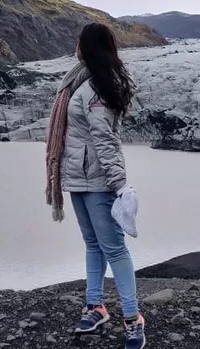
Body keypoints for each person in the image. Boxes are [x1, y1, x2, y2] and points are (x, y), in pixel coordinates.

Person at [44, 22, 145, 348]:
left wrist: (119, 185)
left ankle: (132, 319)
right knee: (92, 243)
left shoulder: (96, 88)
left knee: (114, 248)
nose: (75, 45)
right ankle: (95, 305)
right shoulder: (79, 81)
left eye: (79, 41)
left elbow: (105, 141)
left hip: (99, 181)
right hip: (78, 179)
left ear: (88, 46)